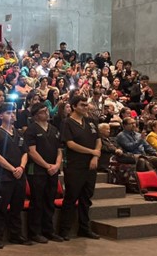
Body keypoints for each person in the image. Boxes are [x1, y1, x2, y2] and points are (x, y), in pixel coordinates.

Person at [59, 96, 101, 240]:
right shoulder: (67, 123)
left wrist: (95, 156)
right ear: (74, 106)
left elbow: (98, 140)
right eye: (82, 105)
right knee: (71, 198)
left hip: (91, 165)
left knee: (86, 198)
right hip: (75, 166)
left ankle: (84, 228)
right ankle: (64, 229)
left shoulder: (91, 122)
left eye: (86, 105)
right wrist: (91, 152)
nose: (86, 107)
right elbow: (70, 144)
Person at [0, 103, 30, 247]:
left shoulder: (19, 133)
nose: (12, 115)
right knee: (1, 207)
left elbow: (25, 152)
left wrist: (21, 167)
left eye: (13, 112)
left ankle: (16, 234)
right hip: (4, 176)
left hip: (19, 175)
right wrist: (13, 169)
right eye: (8, 113)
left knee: (17, 207)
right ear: (1, 116)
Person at [24, 103, 64, 242]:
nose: (46, 113)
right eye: (42, 112)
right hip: (38, 171)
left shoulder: (54, 129)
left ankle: (48, 230)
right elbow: (32, 152)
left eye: (46, 111)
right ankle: (34, 232)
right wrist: (47, 166)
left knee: (49, 201)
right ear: (35, 115)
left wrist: (57, 165)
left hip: (53, 171)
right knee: (37, 201)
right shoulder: (31, 130)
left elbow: (59, 150)